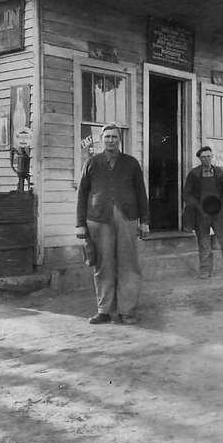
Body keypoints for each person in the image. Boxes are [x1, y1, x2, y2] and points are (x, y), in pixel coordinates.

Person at [76, 124, 150, 325]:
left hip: (127, 217)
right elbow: (82, 193)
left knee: (128, 264)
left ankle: (127, 311)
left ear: (120, 139)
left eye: (114, 137)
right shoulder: (92, 162)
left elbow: (141, 193)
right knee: (103, 264)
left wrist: (145, 221)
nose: (111, 140)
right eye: (107, 137)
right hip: (99, 219)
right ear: (101, 139)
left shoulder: (131, 163)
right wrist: (80, 224)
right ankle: (104, 310)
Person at [182, 146, 223, 280]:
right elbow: (187, 195)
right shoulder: (194, 174)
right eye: (204, 157)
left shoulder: (219, 173)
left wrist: (222, 204)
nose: (207, 159)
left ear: (212, 157)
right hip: (201, 215)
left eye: (209, 156)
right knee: (204, 244)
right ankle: (205, 270)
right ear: (199, 158)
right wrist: (197, 206)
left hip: (218, 214)